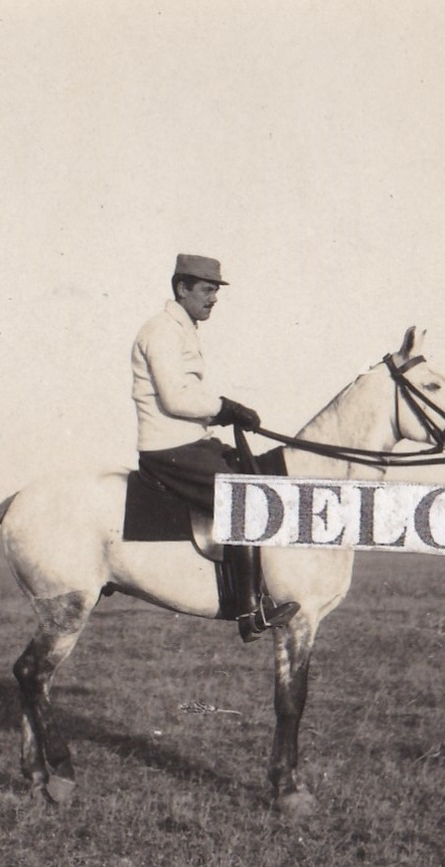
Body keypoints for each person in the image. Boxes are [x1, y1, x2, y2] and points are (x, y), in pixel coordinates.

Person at [131, 254, 300, 642]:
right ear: (182, 288)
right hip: (169, 447)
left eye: (215, 291)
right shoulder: (161, 331)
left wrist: (224, 413)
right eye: (207, 290)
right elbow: (175, 398)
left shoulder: (182, 329)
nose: (214, 299)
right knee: (245, 498)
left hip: (190, 441)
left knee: (256, 475)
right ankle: (249, 612)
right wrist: (226, 408)